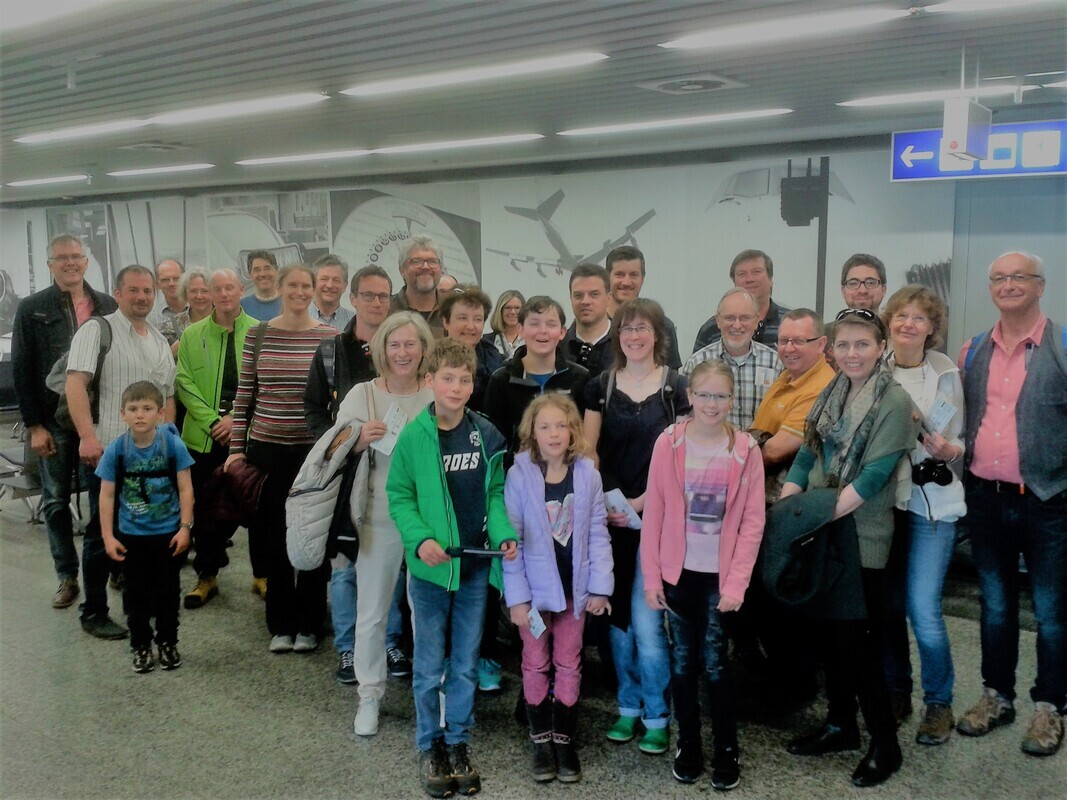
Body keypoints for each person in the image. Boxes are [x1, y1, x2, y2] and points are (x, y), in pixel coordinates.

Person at [780, 308, 917, 788]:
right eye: (844, 345)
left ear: (880, 348)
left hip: (861, 537)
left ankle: (885, 743)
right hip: (822, 526)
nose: (852, 353)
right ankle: (841, 725)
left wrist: (815, 514)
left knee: (859, 647)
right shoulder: (831, 392)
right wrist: (788, 503)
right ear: (832, 350)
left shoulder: (894, 402)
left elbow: (875, 475)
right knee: (828, 638)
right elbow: (806, 451)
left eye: (862, 344)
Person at [388, 339, 518, 799]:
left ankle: (459, 742)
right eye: (447, 378)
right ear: (429, 382)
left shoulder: (487, 434)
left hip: (475, 570)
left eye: (465, 379)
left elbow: (496, 493)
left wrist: (503, 533)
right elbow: (399, 497)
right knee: (427, 665)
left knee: (463, 664)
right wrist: (421, 540)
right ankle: (430, 745)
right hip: (429, 572)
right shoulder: (413, 436)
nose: (457, 386)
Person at [956, 251, 1066, 757]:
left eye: (1019, 276)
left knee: (1051, 611)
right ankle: (997, 696)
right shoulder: (973, 349)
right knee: (996, 606)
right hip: (985, 497)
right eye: (998, 277)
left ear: (1040, 285)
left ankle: (1050, 706)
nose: (1008, 284)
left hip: (1048, 501)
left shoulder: (1062, 345)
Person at [642, 359, 766, 789]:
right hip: (677, 574)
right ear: (689, 396)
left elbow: (752, 522)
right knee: (682, 662)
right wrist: (652, 577)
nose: (712, 404)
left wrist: (736, 584)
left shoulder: (746, 450)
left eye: (721, 396)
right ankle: (688, 742)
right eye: (704, 395)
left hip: (719, 578)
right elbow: (655, 511)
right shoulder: (669, 443)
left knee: (715, 663)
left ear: (732, 399)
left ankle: (727, 748)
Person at [583, 298, 689, 756]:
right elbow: (587, 449)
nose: (634, 336)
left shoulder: (677, 388)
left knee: (648, 627)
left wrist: (646, 500)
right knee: (618, 627)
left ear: (658, 333)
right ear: (617, 337)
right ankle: (626, 709)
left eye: (642, 328)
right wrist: (611, 499)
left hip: (659, 523)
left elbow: (685, 454)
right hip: (610, 520)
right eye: (627, 329)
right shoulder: (599, 386)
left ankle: (656, 715)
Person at [305, 265, 412, 684]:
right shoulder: (332, 351)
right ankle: (349, 649)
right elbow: (314, 409)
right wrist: (342, 441)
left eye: (383, 296)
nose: (375, 303)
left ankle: (390, 641)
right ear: (353, 299)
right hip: (347, 476)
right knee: (347, 566)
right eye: (368, 295)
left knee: (396, 566)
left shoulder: (401, 351)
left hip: (392, 480)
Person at [330, 312, 434, 730]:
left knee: (426, 612)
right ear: (381, 350)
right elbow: (331, 449)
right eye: (394, 345)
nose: (402, 353)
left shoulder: (435, 393)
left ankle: (432, 692)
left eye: (410, 344)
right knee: (371, 611)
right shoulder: (362, 395)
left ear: (423, 349)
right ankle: (369, 695)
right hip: (377, 517)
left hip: (429, 523)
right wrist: (357, 439)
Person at [504, 394, 613, 784]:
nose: (553, 433)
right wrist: (516, 599)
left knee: (569, 661)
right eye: (545, 426)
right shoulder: (518, 476)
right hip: (533, 596)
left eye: (561, 425)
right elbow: (510, 544)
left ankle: (564, 738)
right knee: (535, 662)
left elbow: (598, 533)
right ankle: (540, 739)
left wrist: (600, 587)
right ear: (532, 432)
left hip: (575, 593)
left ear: (573, 432)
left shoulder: (587, 474)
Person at [65, 263, 177, 640]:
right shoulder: (97, 330)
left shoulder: (159, 340)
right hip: (109, 453)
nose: (142, 297)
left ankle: (139, 607)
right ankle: (93, 610)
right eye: (134, 290)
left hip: (152, 459)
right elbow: (75, 384)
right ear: (118, 292)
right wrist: (86, 437)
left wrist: (170, 443)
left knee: (144, 533)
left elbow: (168, 397)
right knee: (101, 532)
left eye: (148, 291)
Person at [226, 264, 333, 653]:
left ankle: (309, 623)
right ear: (280, 288)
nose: (301, 291)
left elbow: (335, 401)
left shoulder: (330, 337)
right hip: (267, 452)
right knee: (273, 539)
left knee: (311, 536)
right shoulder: (258, 335)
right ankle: (280, 625)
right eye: (294, 285)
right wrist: (237, 451)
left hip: (314, 453)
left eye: (308, 285)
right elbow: (244, 400)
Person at [11, 233, 117, 612]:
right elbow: (22, 370)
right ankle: (67, 576)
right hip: (51, 421)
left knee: (101, 496)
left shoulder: (107, 304)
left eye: (76, 256)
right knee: (55, 501)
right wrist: (34, 426)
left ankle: (105, 569)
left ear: (86, 261)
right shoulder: (31, 308)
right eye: (61, 258)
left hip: (95, 418)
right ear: (50, 263)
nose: (70, 263)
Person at [881, 286, 966, 745]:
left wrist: (951, 450)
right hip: (886, 506)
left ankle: (939, 702)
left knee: (923, 610)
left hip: (932, 508)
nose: (907, 324)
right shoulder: (876, 369)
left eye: (918, 318)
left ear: (931, 328)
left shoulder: (947, 374)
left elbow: (961, 439)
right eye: (900, 316)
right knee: (890, 607)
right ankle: (896, 692)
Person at [746, 309, 833, 711]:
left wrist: (751, 441)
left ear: (822, 345)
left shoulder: (820, 386)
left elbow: (773, 451)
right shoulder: (787, 378)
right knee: (764, 598)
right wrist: (754, 440)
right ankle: (773, 677)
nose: (789, 347)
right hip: (766, 504)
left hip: (791, 509)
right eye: (784, 340)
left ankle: (794, 690)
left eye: (800, 341)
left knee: (783, 597)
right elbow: (757, 440)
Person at [97, 381, 195, 673]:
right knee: (135, 594)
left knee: (168, 592)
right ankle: (140, 644)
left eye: (147, 409)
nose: (140, 415)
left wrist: (185, 527)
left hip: (167, 534)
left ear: (161, 413)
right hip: (132, 537)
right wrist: (107, 536)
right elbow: (107, 494)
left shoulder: (172, 445)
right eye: (133, 409)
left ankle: (168, 641)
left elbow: (186, 489)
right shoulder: (117, 450)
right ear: (122, 414)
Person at [176, 268, 258, 608]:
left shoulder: (260, 331)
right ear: (207, 293)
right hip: (204, 437)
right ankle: (206, 576)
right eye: (216, 289)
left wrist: (236, 421)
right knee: (205, 512)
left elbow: (265, 386)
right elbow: (183, 383)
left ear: (241, 289)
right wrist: (214, 421)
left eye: (230, 287)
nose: (224, 294)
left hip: (251, 436)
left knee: (259, 510)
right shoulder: (193, 334)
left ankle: (263, 574)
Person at [482, 296, 590, 456]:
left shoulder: (579, 377)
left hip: (567, 471)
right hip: (517, 474)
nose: (543, 331)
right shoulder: (502, 379)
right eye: (534, 324)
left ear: (562, 332)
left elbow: (583, 436)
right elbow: (493, 440)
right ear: (521, 330)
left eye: (551, 324)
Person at [683, 288, 782, 430]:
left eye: (744, 318)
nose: (737, 325)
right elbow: (686, 417)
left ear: (756, 320)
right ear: (718, 321)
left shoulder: (776, 364)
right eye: (729, 318)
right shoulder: (696, 364)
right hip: (709, 450)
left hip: (762, 450)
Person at [693, 249, 790, 352]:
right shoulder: (711, 329)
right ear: (734, 282)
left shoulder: (790, 323)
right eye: (741, 274)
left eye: (756, 272)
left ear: (770, 279)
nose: (749, 279)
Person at [605, 245, 682, 369]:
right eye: (619, 274)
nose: (626, 282)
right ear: (607, 278)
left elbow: (671, 379)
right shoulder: (596, 326)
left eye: (633, 275)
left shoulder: (662, 325)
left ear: (643, 279)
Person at [441, 286, 502, 414]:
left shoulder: (498, 363)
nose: (470, 326)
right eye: (463, 318)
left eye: (477, 319)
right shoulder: (431, 362)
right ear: (446, 322)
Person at [563, 264, 613, 379]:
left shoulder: (626, 346)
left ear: (608, 298)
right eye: (578, 295)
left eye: (594, 294)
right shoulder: (556, 348)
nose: (585, 301)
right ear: (570, 299)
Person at [390, 236, 445, 339]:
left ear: (441, 269)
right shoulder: (387, 310)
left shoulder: (452, 311)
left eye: (432, 261)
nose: (425, 267)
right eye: (416, 261)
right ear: (402, 270)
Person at [159, 268, 213, 353]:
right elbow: (161, 361)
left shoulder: (226, 321)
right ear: (184, 293)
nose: (199, 296)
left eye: (205, 291)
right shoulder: (170, 326)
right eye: (193, 291)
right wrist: (171, 352)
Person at [310, 254, 354, 331]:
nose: (330, 285)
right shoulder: (297, 319)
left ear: (345, 286)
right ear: (313, 283)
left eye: (336, 280)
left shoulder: (355, 322)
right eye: (324, 279)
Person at [240, 250, 281, 320]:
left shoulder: (289, 302)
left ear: (276, 271)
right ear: (250, 275)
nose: (262, 274)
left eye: (267, 268)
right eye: (257, 270)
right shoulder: (242, 307)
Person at [485, 289, 524, 360]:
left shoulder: (531, 340)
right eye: (508, 308)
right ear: (500, 311)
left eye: (517, 308)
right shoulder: (487, 341)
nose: (512, 312)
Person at [148, 258, 186, 330]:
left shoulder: (199, 309)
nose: (171, 284)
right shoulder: (151, 319)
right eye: (165, 280)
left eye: (176, 279)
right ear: (157, 284)